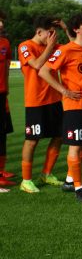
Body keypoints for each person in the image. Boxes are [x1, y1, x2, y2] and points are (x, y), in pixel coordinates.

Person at [38, 12, 82, 203]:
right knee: (75, 146)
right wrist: (64, 91)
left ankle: (69, 180)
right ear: (76, 29)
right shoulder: (66, 50)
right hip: (74, 106)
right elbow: (44, 71)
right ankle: (79, 188)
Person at [18, 16, 69, 193]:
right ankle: (26, 180)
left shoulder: (54, 46)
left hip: (55, 100)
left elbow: (74, 46)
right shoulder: (25, 46)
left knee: (59, 137)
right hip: (35, 102)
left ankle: (47, 173)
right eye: (50, 33)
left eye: (55, 33)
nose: (53, 37)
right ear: (39, 32)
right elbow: (38, 65)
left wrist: (65, 28)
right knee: (32, 140)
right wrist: (50, 46)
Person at [0, 10, 15, 189]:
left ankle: (1, 172)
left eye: (2, 21)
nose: (1, 24)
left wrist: (7, 88)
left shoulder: (5, 43)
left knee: (2, 135)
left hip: (2, 94)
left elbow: (6, 67)